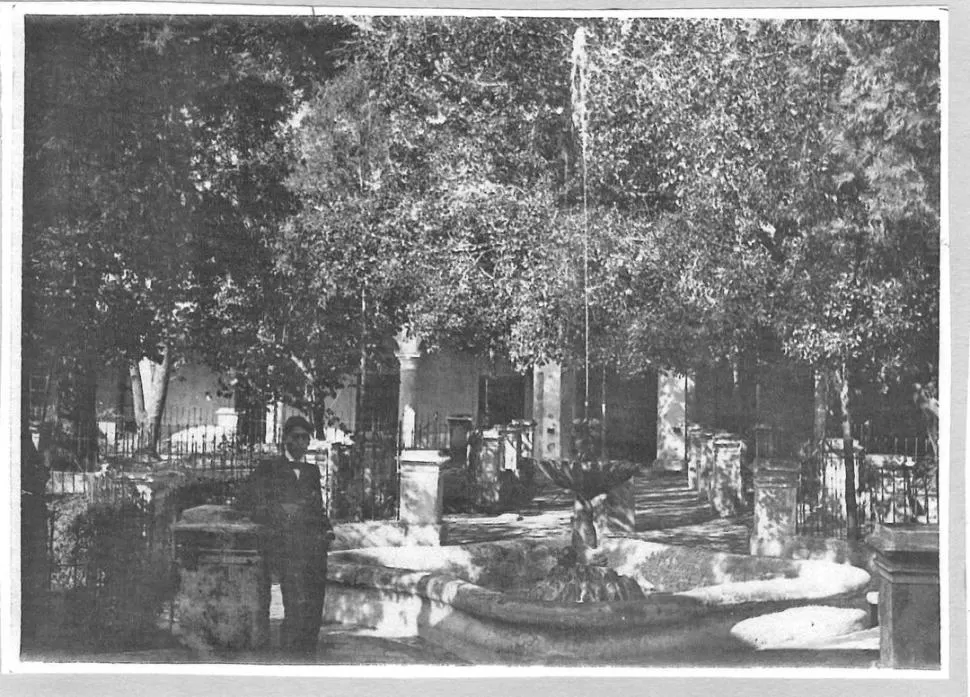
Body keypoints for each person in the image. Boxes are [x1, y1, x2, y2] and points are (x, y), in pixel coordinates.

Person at [236, 415, 333, 656]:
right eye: (296, 437)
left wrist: (327, 528)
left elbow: (317, 507)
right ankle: (291, 646)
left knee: (314, 593)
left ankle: (308, 644)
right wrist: (280, 513)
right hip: (282, 541)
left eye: (305, 438)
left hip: (311, 542)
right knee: (293, 593)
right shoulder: (269, 468)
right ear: (286, 439)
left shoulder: (311, 471)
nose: (301, 442)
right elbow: (251, 501)